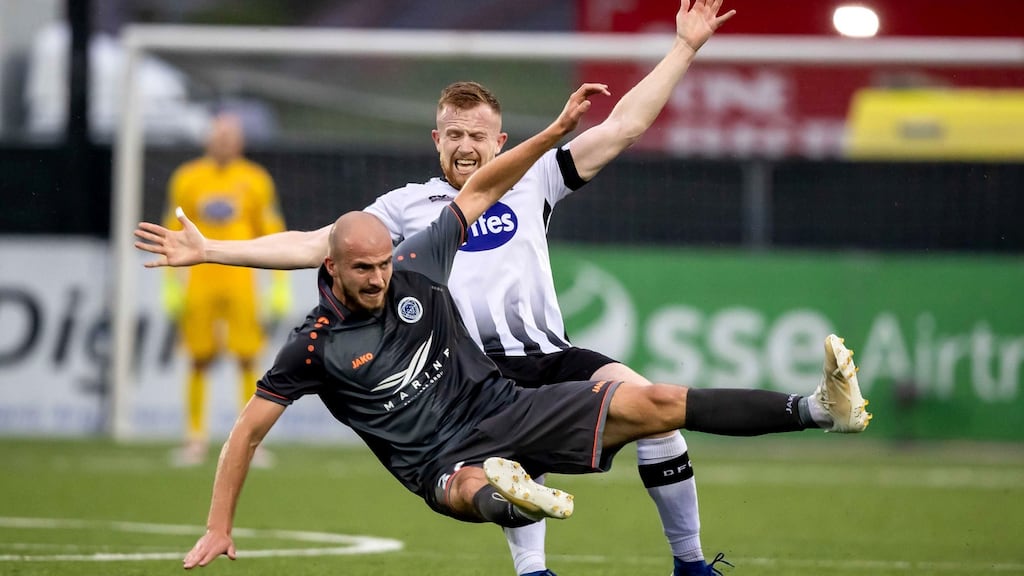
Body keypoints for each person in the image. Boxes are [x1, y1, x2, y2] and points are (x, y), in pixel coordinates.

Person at [136, 84, 872, 574]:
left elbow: (612, 131)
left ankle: (802, 424)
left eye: (477, 134)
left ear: (497, 140)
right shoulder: (401, 218)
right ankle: (531, 558)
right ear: (435, 140)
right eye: (452, 133)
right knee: (476, 482)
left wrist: (677, 53)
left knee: (656, 409)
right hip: (471, 378)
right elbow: (307, 241)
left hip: (539, 365)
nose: (464, 145)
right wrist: (211, 252)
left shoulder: (476, 213)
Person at [161, 112, 292, 467]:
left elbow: (271, 228)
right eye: (218, 136)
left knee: (248, 357)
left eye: (229, 136)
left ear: (239, 142)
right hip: (200, 280)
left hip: (241, 280)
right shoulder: (188, 178)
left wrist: (279, 284)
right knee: (198, 358)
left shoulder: (254, 179)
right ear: (208, 139)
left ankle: (250, 441)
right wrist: (171, 285)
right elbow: (171, 231)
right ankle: (194, 439)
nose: (223, 142)